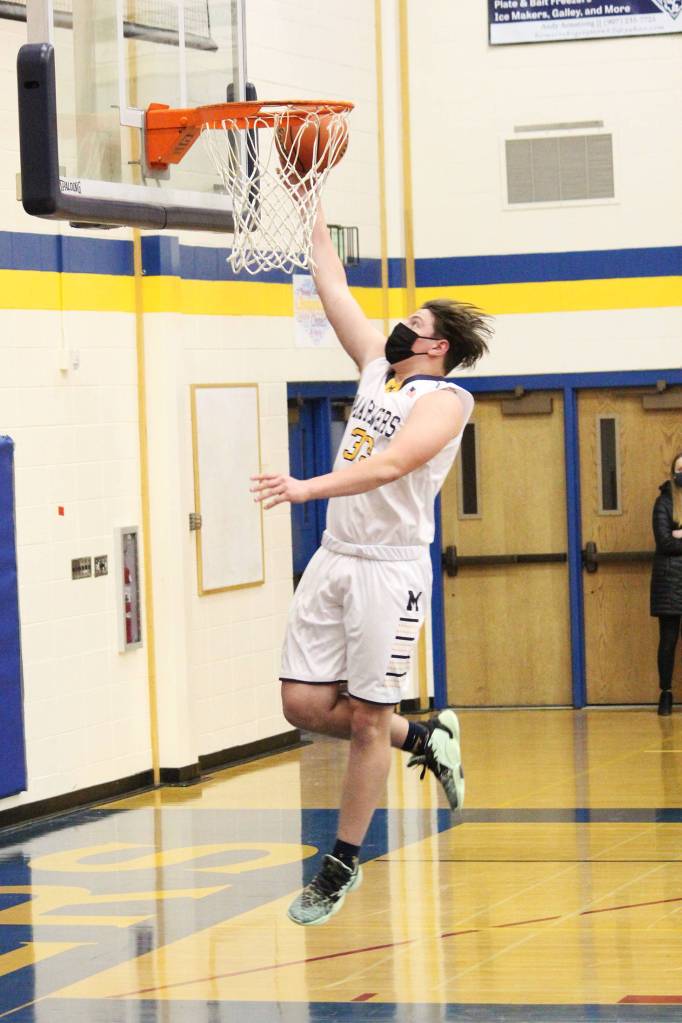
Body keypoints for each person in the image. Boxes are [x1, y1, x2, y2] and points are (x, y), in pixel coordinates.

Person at [251, 207, 491, 926]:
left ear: (436, 344)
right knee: (301, 704)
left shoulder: (449, 400)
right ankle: (424, 737)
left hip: (388, 571)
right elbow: (334, 287)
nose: (395, 327)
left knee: (363, 722)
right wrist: (308, 203)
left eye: (410, 323)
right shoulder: (375, 369)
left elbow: (390, 463)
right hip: (337, 558)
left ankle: (341, 862)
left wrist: (303, 487)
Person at [650, 451, 682, 716]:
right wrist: (674, 536)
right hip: (669, 582)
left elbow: (675, 540)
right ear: (673, 473)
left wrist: (679, 533)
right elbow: (665, 542)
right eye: (680, 469)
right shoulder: (663, 502)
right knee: (668, 640)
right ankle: (665, 693)